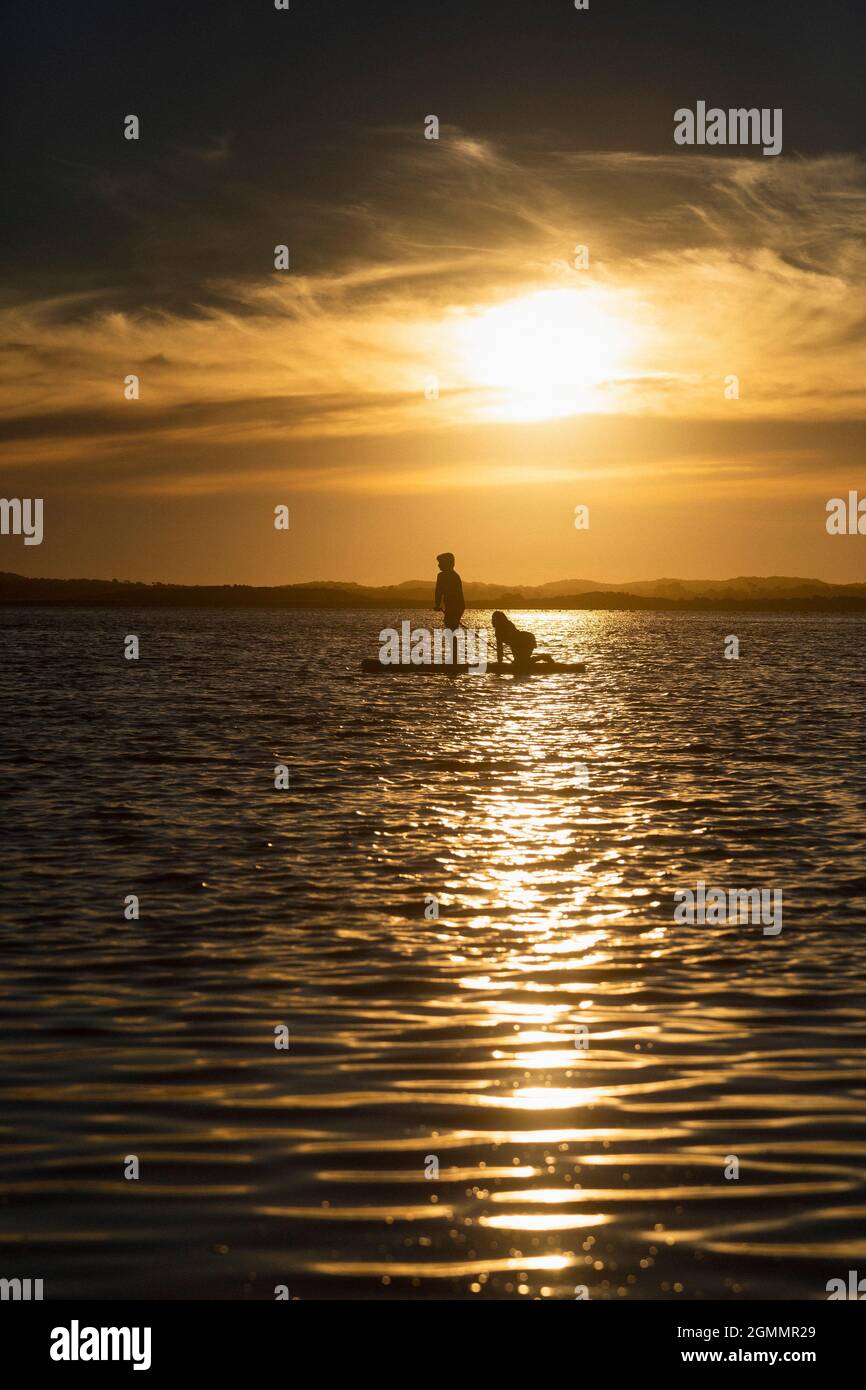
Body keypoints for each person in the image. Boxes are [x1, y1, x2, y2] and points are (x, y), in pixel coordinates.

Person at [434, 552, 465, 630]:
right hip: (456, 607)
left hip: (454, 607)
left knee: (450, 627)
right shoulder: (455, 576)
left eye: (440, 563)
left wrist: (437, 605)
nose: (438, 565)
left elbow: (438, 591)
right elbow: (439, 592)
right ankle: (453, 641)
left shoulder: (442, 576)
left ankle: (453, 642)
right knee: (451, 627)